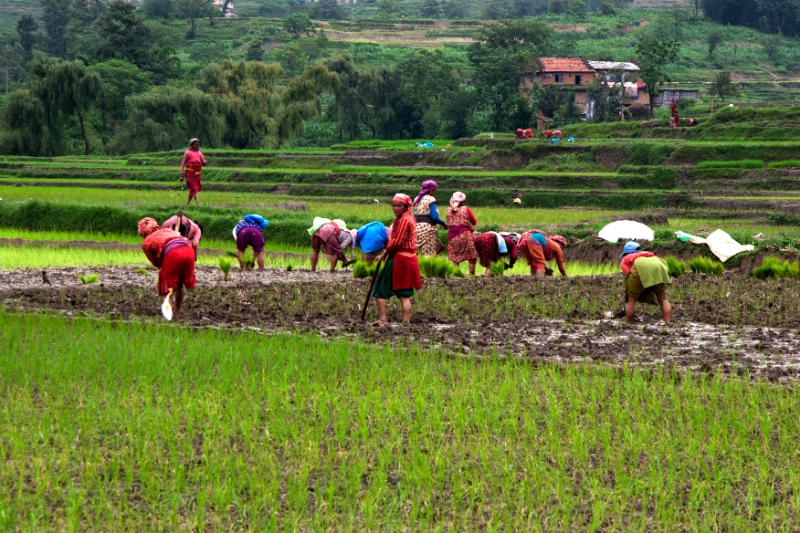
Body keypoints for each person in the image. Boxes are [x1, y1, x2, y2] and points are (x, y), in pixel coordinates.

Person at [373, 194, 422, 327]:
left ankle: (383, 320)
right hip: (410, 259)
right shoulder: (409, 218)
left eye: (399, 205)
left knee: (380, 289)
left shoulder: (404, 220)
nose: (396, 208)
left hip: (399, 259)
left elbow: (397, 242)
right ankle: (406, 322)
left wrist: (384, 253)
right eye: (394, 205)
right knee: (404, 293)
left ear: (406, 207)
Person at [138, 217, 196, 319]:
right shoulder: (168, 230)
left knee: (164, 290)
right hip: (188, 249)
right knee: (180, 283)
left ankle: (168, 318)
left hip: (173, 254)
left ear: (143, 231)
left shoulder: (146, 242)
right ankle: (177, 312)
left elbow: (156, 263)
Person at [619, 242, 672, 324]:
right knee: (663, 298)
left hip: (640, 266)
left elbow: (630, 275)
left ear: (626, 253)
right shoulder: (647, 254)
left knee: (631, 300)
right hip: (657, 262)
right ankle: (668, 322)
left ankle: (628, 323)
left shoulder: (625, 259)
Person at [446, 191, 478, 276]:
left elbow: (449, 221)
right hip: (466, 236)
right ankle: (471, 275)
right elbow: (474, 221)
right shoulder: (465, 209)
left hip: (452, 237)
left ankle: (456, 275)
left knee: (455, 257)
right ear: (462, 201)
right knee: (472, 256)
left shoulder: (448, 210)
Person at [413, 180, 447, 256]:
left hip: (416, 228)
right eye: (435, 190)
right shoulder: (431, 199)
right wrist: (443, 223)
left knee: (417, 254)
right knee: (429, 254)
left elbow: (414, 215)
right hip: (428, 229)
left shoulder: (416, 199)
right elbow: (434, 217)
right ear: (431, 191)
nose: (435, 192)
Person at [180, 138, 207, 206]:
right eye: (195, 145)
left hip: (197, 174)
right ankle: (198, 202)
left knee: (193, 189)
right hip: (190, 173)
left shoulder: (199, 153)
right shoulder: (187, 153)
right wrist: (182, 175)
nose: (197, 146)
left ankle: (187, 203)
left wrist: (204, 162)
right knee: (193, 188)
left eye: (198, 145)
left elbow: (203, 162)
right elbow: (183, 164)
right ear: (191, 145)